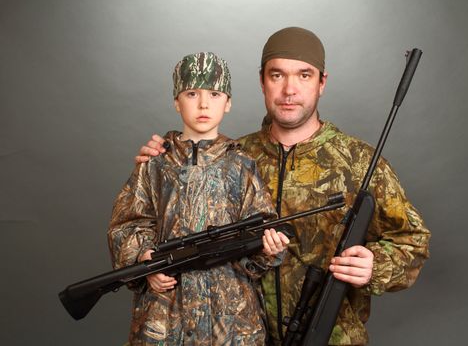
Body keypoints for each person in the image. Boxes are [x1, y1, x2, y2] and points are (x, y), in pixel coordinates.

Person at [136, 28, 431, 345]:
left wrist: (376, 266)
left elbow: (413, 243)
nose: (290, 89)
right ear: (262, 81)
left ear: (322, 83)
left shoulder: (359, 162)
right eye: (277, 75)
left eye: (304, 75)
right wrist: (167, 153)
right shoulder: (233, 159)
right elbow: (170, 232)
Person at [108, 52, 289, 345]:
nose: (204, 104)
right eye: (192, 93)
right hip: (167, 317)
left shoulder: (241, 165)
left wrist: (268, 249)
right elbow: (126, 224)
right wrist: (146, 263)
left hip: (230, 323)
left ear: (228, 103)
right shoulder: (155, 163)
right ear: (176, 102)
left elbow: (260, 236)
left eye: (215, 94)